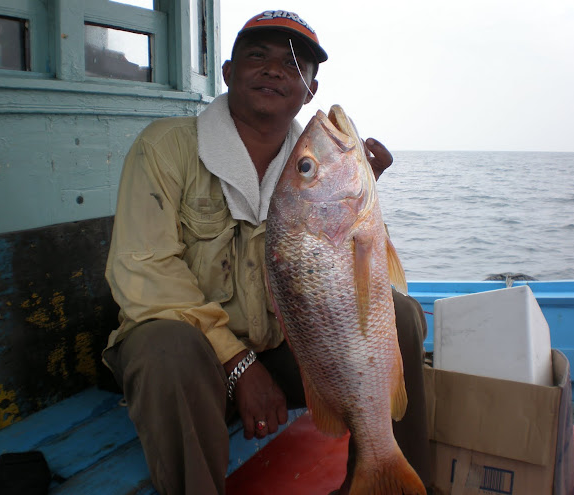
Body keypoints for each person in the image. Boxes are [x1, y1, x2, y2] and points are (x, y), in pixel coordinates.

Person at [103, 10, 431, 495]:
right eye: (257, 56)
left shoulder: (314, 160)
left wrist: (359, 201)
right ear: (228, 73)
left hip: (283, 348)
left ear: (310, 91)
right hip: (196, 362)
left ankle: (385, 474)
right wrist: (238, 364)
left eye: (294, 64)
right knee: (165, 348)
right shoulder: (163, 149)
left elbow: (319, 270)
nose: (275, 69)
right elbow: (144, 273)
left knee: (400, 315)